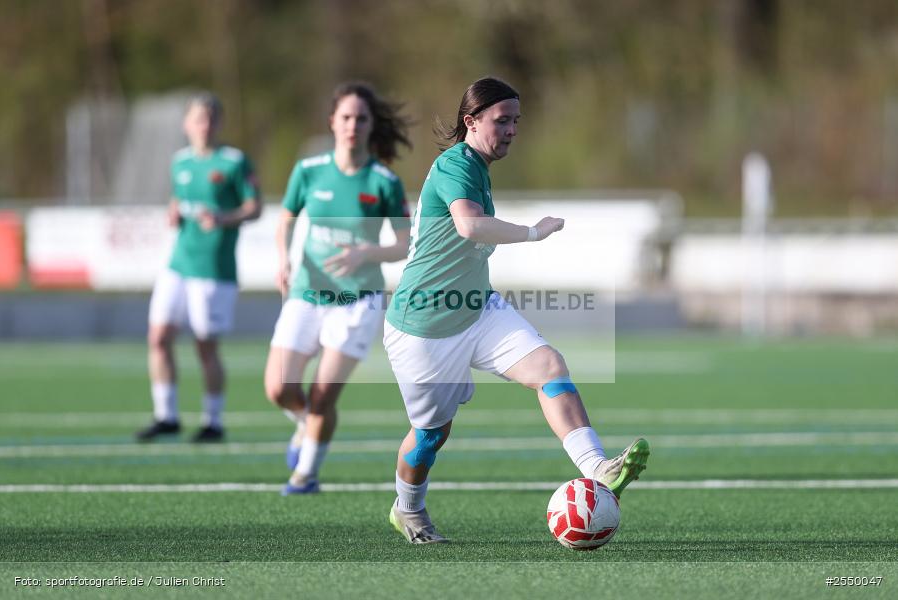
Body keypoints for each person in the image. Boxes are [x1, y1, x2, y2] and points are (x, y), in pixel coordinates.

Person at [383, 77, 650, 544]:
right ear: (471, 121)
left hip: (478, 309)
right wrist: (532, 232)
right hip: (423, 326)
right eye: (501, 121)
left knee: (549, 366)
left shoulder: (477, 167)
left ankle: (597, 468)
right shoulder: (455, 164)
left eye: (516, 122)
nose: (510, 131)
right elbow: (469, 226)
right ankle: (407, 509)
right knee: (430, 435)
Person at [264, 82, 412, 495]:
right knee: (279, 389)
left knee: (322, 396)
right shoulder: (308, 171)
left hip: (356, 302)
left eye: (361, 118)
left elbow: (404, 244)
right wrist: (283, 259)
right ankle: (305, 424)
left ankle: (305, 474)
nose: (353, 125)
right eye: (346, 117)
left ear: (371, 125)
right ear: (332, 121)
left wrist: (366, 252)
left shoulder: (384, 181)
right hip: (306, 293)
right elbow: (285, 221)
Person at [137, 93, 262, 443]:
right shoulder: (180, 162)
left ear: (219, 124)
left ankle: (213, 421)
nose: (204, 126)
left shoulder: (234, 162)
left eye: (210, 119)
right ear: (186, 124)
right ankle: (166, 415)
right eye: (197, 119)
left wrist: (224, 218)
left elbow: (254, 207)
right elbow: (179, 199)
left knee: (205, 346)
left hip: (213, 269)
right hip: (178, 263)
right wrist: (173, 211)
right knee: (158, 338)